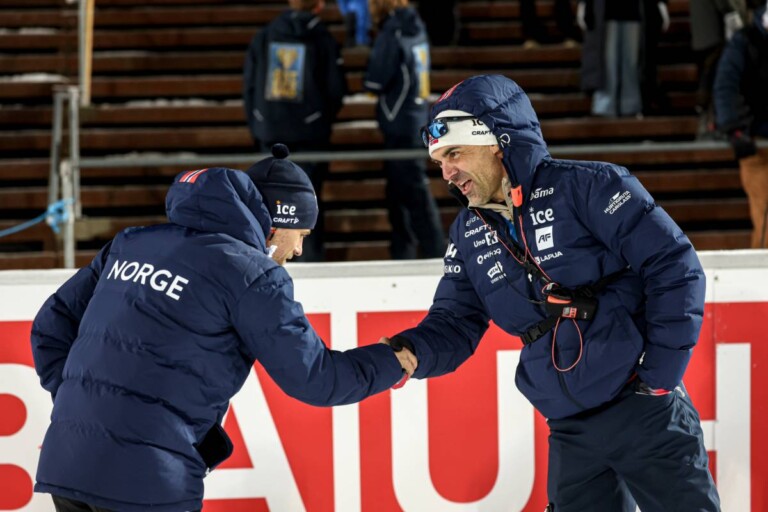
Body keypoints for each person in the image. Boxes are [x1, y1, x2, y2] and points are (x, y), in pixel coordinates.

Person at [381, 75, 721, 511]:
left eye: (454, 154)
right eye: (439, 162)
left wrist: (659, 377)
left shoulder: (589, 186)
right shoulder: (467, 232)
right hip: (570, 429)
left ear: (497, 143)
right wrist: (410, 352)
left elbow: (674, 265)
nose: (447, 173)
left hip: (644, 410)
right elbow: (455, 321)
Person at [30, 144, 417, 512]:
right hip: (147, 480)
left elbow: (50, 326)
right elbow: (316, 378)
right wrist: (391, 360)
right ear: (275, 225)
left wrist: (83, 405)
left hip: (68, 462)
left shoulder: (131, 244)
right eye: (300, 234)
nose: (298, 250)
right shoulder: (252, 275)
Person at [243, 0, 347, 261]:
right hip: (310, 136)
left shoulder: (265, 35)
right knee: (308, 203)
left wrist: (259, 124)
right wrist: (319, 122)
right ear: (319, 5)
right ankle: (310, 261)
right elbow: (336, 90)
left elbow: (249, 86)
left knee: (266, 204)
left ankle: (262, 263)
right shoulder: (323, 39)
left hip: (269, 132)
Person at [364, 0, 445, 259]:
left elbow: (375, 81)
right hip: (415, 115)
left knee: (413, 192)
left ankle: (436, 253)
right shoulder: (416, 26)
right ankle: (405, 252)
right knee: (399, 194)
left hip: (399, 121)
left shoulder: (394, 32)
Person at [714, 0, 768, 247]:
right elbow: (725, 87)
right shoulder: (744, 41)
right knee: (765, 215)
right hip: (757, 146)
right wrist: (735, 131)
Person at [579, 0, 669, 117]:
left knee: (631, 62)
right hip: (607, 11)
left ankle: (630, 104)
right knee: (608, 62)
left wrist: (660, 3)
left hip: (634, 10)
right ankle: (607, 104)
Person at [690, 0, 748, 139]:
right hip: (713, 32)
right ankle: (710, 125)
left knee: (708, 80)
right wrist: (732, 12)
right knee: (713, 81)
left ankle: (708, 124)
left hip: (704, 31)